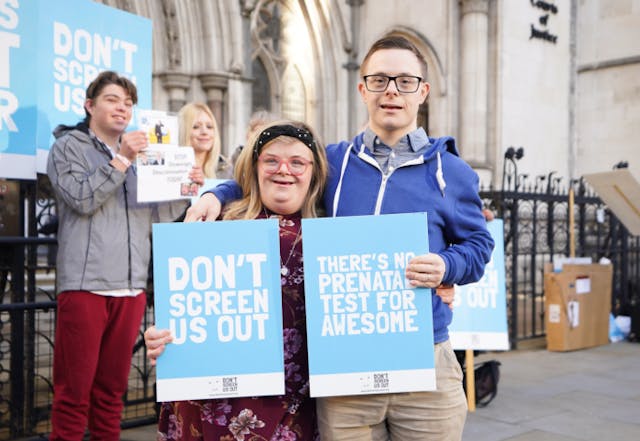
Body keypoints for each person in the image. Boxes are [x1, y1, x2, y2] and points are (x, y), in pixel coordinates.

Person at [185, 35, 494, 440]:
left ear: (423, 91)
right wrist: (216, 193)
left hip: (425, 366)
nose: (391, 91)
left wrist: (446, 266)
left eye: (404, 81)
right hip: (345, 369)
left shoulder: (451, 171)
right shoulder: (333, 161)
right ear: (362, 89)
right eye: (380, 80)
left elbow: (478, 247)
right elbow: (274, 173)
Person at [145, 120, 329, 441]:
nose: (283, 170)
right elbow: (180, 300)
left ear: (314, 170)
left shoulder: (334, 230)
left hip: (293, 400)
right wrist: (163, 337)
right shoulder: (214, 221)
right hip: (210, 400)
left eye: (297, 162)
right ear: (254, 167)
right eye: (271, 160)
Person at [46, 70, 193, 441]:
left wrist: (185, 186)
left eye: (128, 102)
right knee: (73, 394)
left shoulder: (137, 157)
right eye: (112, 99)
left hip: (130, 289)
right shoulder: (68, 147)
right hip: (86, 286)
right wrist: (122, 160)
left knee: (112, 394)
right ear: (89, 105)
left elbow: (156, 214)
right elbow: (80, 199)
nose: (122, 107)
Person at [178, 102, 231, 180]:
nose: (204, 132)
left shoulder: (226, 170)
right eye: (196, 127)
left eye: (209, 127)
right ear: (183, 132)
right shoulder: (173, 169)